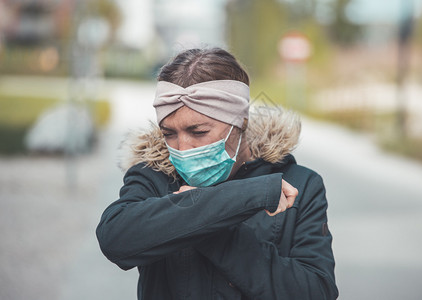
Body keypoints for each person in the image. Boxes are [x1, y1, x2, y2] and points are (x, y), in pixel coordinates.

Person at [96, 47, 338, 300]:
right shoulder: (154, 174)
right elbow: (115, 239)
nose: (182, 147)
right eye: (169, 133)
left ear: (241, 122)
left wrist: (211, 227)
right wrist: (248, 196)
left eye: (198, 131)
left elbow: (316, 291)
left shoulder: (300, 183)